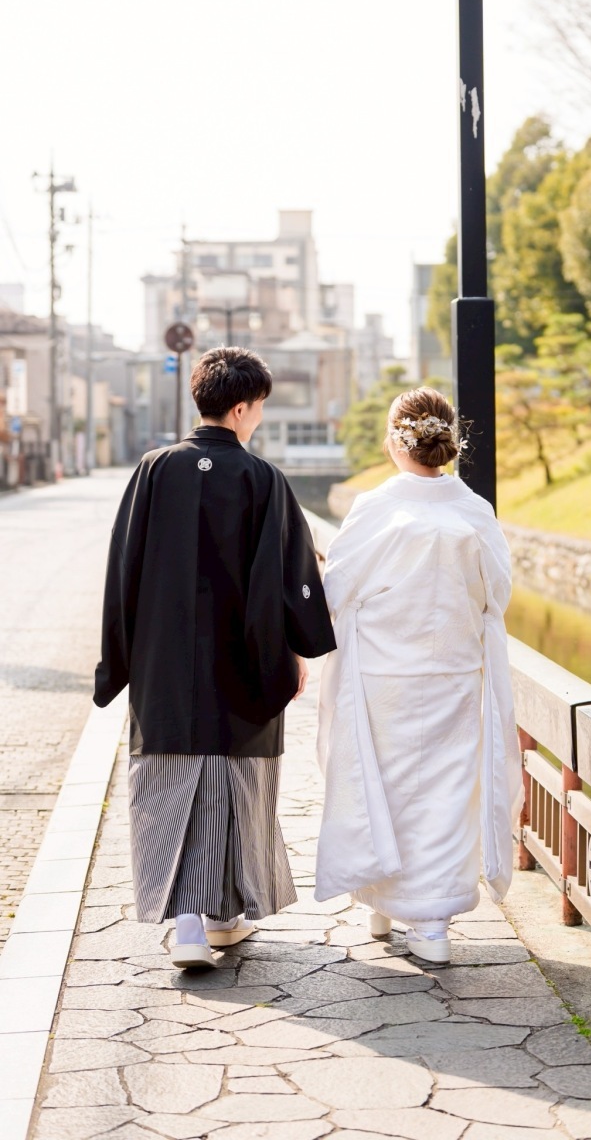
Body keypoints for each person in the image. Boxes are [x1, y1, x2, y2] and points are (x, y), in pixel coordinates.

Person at [94, 347, 336, 969]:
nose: (259, 417)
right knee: (235, 785)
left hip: (164, 663)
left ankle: (190, 929)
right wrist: (297, 649)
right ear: (242, 408)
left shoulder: (154, 469)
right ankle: (224, 916)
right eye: (260, 407)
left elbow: (123, 567)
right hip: (242, 660)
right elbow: (290, 577)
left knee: (169, 784)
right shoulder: (263, 479)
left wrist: (119, 657)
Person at [315, 386, 521, 963]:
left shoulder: (376, 507)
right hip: (454, 671)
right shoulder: (473, 510)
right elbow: (498, 593)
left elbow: (337, 590)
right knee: (445, 792)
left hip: (384, 674)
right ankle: (431, 924)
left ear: (395, 441)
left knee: (384, 785)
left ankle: (384, 900)